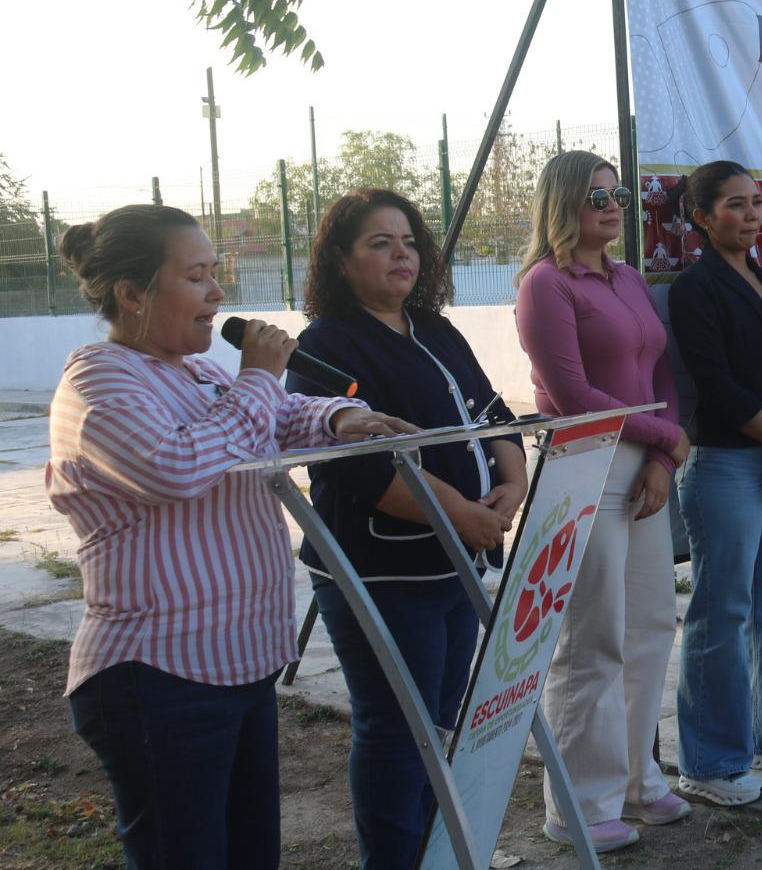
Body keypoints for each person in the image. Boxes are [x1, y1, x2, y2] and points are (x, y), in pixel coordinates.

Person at [46, 205, 400, 868]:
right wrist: (262, 376)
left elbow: (282, 415)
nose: (217, 294)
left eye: (217, 273)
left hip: (237, 663)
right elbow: (177, 467)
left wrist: (343, 417)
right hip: (158, 676)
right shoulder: (97, 379)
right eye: (197, 277)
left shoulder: (203, 373)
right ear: (132, 294)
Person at [288, 189, 528, 868]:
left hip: (456, 563)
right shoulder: (324, 348)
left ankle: (436, 849)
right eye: (379, 243)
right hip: (383, 574)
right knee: (400, 729)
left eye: (410, 241)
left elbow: (495, 411)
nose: (403, 254)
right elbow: (360, 473)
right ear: (340, 261)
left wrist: (512, 485)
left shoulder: (435, 329)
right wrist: (465, 513)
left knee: (443, 722)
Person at [517, 151, 690, 853]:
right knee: (593, 638)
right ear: (563, 203)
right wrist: (667, 438)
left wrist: (658, 453)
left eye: (617, 192)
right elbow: (572, 396)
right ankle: (576, 805)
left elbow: (661, 373)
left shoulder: (627, 278)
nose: (613, 204)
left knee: (649, 625)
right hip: (586, 465)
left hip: (645, 462)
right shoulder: (545, 285)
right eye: (597, 195)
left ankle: (635, 781)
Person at [667, 161, 762, 806]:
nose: (753, 214)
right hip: (729, 462)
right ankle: (708, 761)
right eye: (736, 205)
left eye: (757, 203)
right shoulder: (695, 288)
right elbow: (717, 385)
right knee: (723, 609)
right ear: (702, 218)